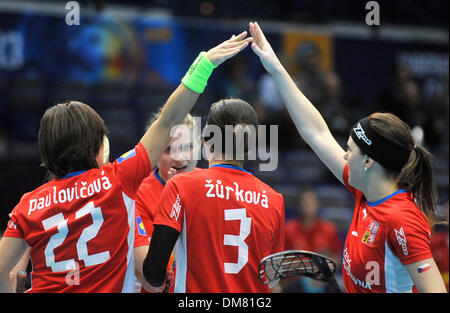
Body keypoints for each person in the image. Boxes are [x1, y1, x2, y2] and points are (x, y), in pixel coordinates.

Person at [0, 31, 252, 293]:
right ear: (98, 147)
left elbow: (2, 270)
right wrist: (204, 64)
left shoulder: (28, 204)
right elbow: (168, 119)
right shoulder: (118, 179)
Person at [249, 21, 447, 293]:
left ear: (369, 162)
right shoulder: (363, 193)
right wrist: (276, 68)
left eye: (351, 150)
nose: (344, 154)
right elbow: (315, 132)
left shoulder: (402, 219)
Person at [142, 97, 286, 293]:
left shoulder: (181, 186)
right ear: (250, 148)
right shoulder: (274, 200)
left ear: (205, 142)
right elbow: (272, 279)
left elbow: (153, 273)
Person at [134, 111, 201, 293]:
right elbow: (154, 266)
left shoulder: (211, 186)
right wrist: (173, 198)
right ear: (155, 154)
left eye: (187, 147)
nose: (179, 157)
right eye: (169, 150)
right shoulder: (138, 193)